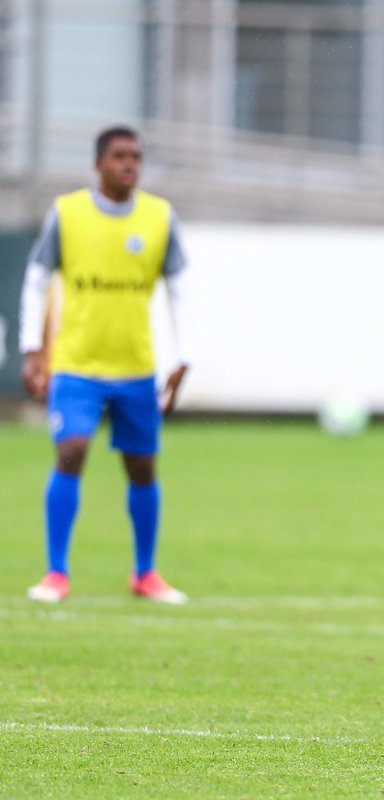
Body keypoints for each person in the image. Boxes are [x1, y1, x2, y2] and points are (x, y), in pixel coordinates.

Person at [18, 125, 190, 605]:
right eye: (119, 156)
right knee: (71, 450)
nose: (129, 163)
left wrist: (184, 355)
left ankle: (145, 573)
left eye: (135, 156)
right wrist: (32, 348)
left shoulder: (159, 217)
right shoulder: (68, 213)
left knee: (142, 467)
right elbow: (37, 279)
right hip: (77, 364)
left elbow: (180, 288)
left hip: (135, 366)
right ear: (98, 164)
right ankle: (56, 572)